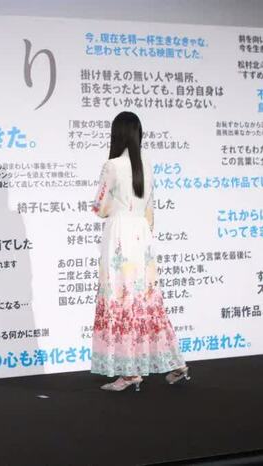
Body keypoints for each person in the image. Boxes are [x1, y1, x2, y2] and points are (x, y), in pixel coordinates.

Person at [90, 111, 190, 392]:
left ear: (117, 134)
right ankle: (176, 363)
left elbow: (99, 208)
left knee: (120, 300)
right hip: (142, 236)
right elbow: (150, 211)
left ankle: (130, 373)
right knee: (147, 302)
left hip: (120, 235)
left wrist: (114, 208)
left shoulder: (112, 165)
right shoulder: (147, 164)